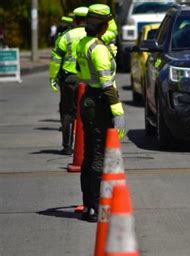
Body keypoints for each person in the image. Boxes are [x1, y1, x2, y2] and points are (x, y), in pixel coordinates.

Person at [76, 4, 125, 222]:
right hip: (99, 103)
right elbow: (107, 85)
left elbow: (82, 70)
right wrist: (118, 113)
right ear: (103, 25)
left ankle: (89, 205)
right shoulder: (99, 49)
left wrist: (107, 49)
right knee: (98, 157)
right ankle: (95, 207)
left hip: (87, 99)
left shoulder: (84, 43)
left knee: (88, 156)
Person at [49, 7, 88, 155]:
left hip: (69, 79)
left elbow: (56, 58)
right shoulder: (95, 36)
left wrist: (53, 77)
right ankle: (87, 146)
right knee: (90, 112)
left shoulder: (66, 36)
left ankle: (67, 146)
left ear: (75, 19)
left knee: (68, 113)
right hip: (89, 80)